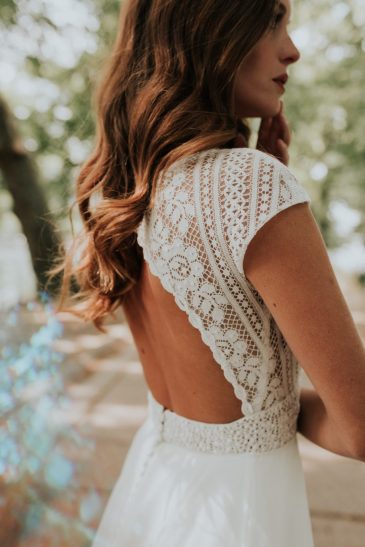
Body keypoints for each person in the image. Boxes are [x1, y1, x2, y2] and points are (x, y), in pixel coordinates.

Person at [56, 0, 365, 545]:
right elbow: (358, 428)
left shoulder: (128, 185)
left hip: (155, 491)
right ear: (208, 26)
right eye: (273, 20)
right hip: (241, 514)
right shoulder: (248, 185)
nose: (291, 49)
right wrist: (264, 190)